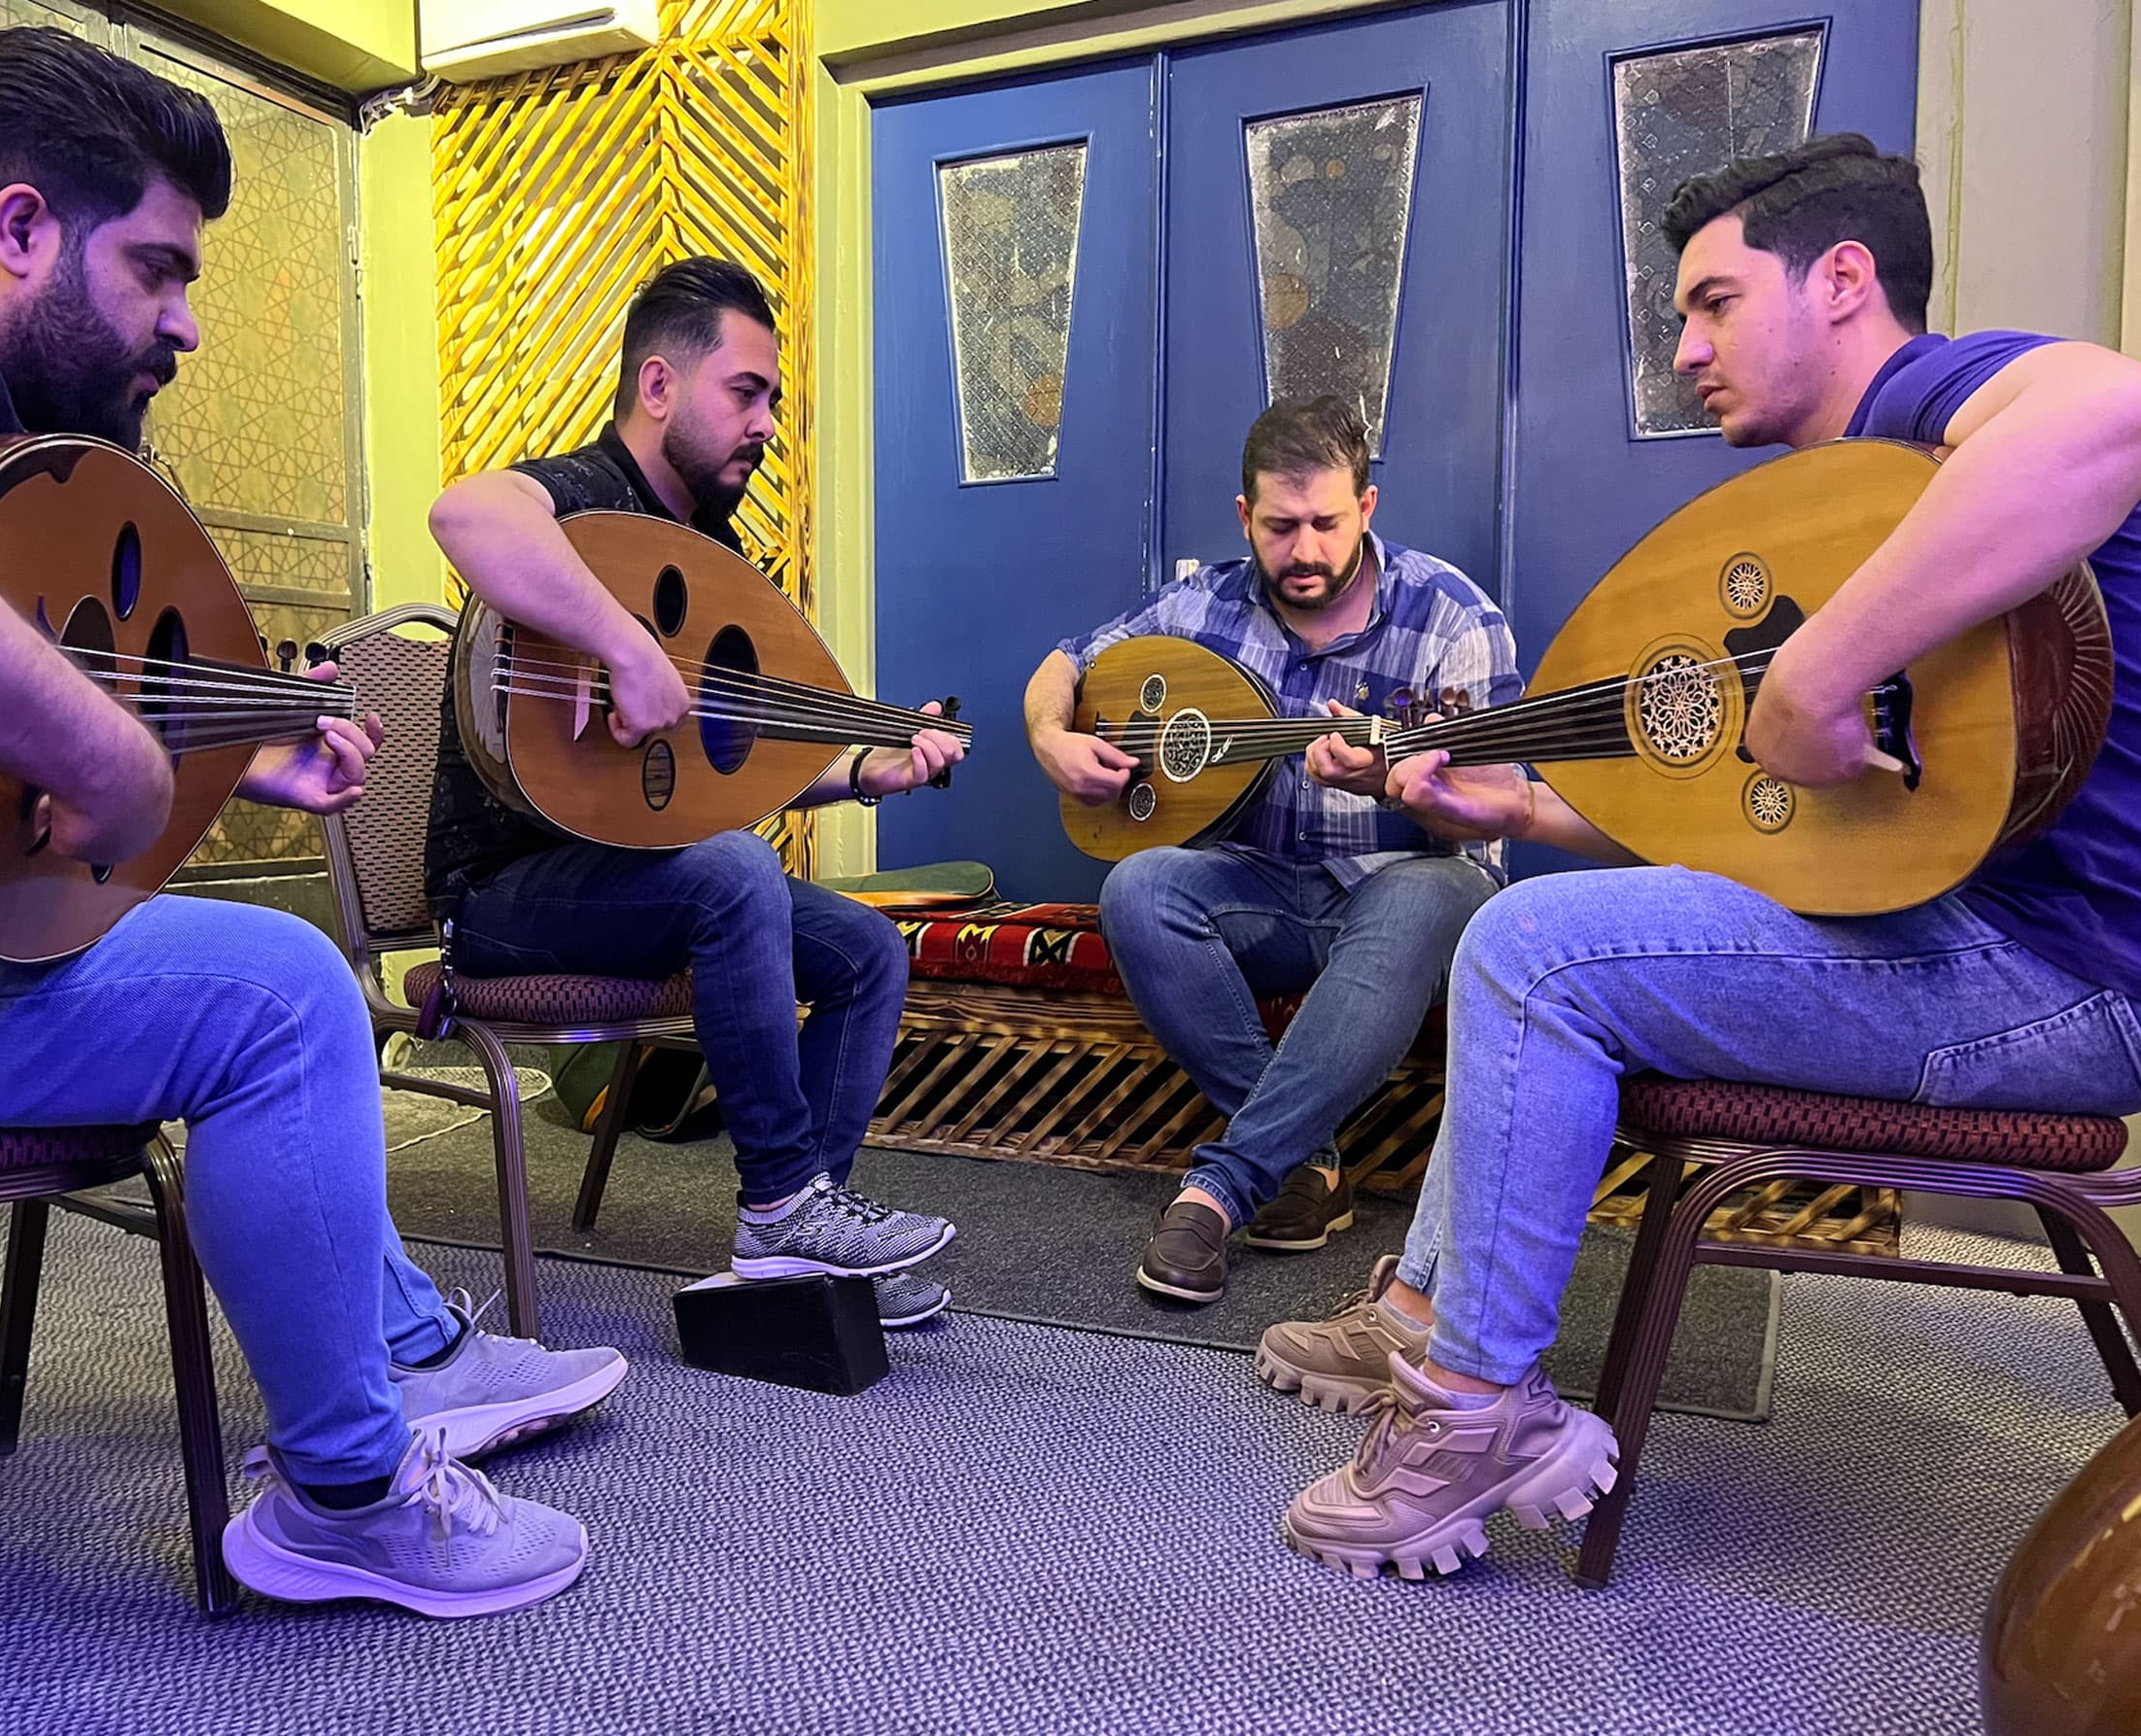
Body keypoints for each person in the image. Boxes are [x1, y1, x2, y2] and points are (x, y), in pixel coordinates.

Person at [0, 28, 627, 1617]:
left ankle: (411, 1345)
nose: (186, 322)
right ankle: (346, 1495)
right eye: (155, 270)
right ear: (14, 231)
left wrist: (204, 753)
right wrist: (119, 766)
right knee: (276, 999)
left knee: (240, 985)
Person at [1265, 133, 2141, 1580]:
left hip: (2067, 976)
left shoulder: (1936, 405)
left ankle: (1468, 1411)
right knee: (1550, 907)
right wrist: (1532, 814)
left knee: (1529, 956)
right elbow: (1780, 824)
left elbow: (2118, 410)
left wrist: (1808, 681)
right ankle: (1423, 1311)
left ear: (1844, 280)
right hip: (1956, 932)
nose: (1684, 350)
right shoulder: (1847, 501)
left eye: (1714, 302)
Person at [426, 257, 969, 1327]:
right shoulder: (580, 497)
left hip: (640, 881)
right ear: (660, 386)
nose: (766, 422)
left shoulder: (711, 557)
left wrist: (868, 767)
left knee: (864, 948)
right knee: (733, 871)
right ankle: (779, 1202)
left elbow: (738, 758)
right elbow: (463, 518)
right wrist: (622, 646)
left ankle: (805, 1232)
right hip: (503, 899)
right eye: (746, 393)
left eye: (772, 400)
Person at [1022, 398, 1520, 1307]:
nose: (1306, 551)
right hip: (1260, 889)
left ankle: (1221, 1188)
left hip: (1403, 895)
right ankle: (1310, 1161)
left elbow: (1500, 803)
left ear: (1366, 508)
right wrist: (1050, 734)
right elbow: (1069, 658)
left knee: (1422, 895)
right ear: (1245, 516)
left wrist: (1404, 785)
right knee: (1138, 887)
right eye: (1281, 527)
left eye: (1328, 524)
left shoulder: (1453, 619)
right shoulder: (1203, 602)